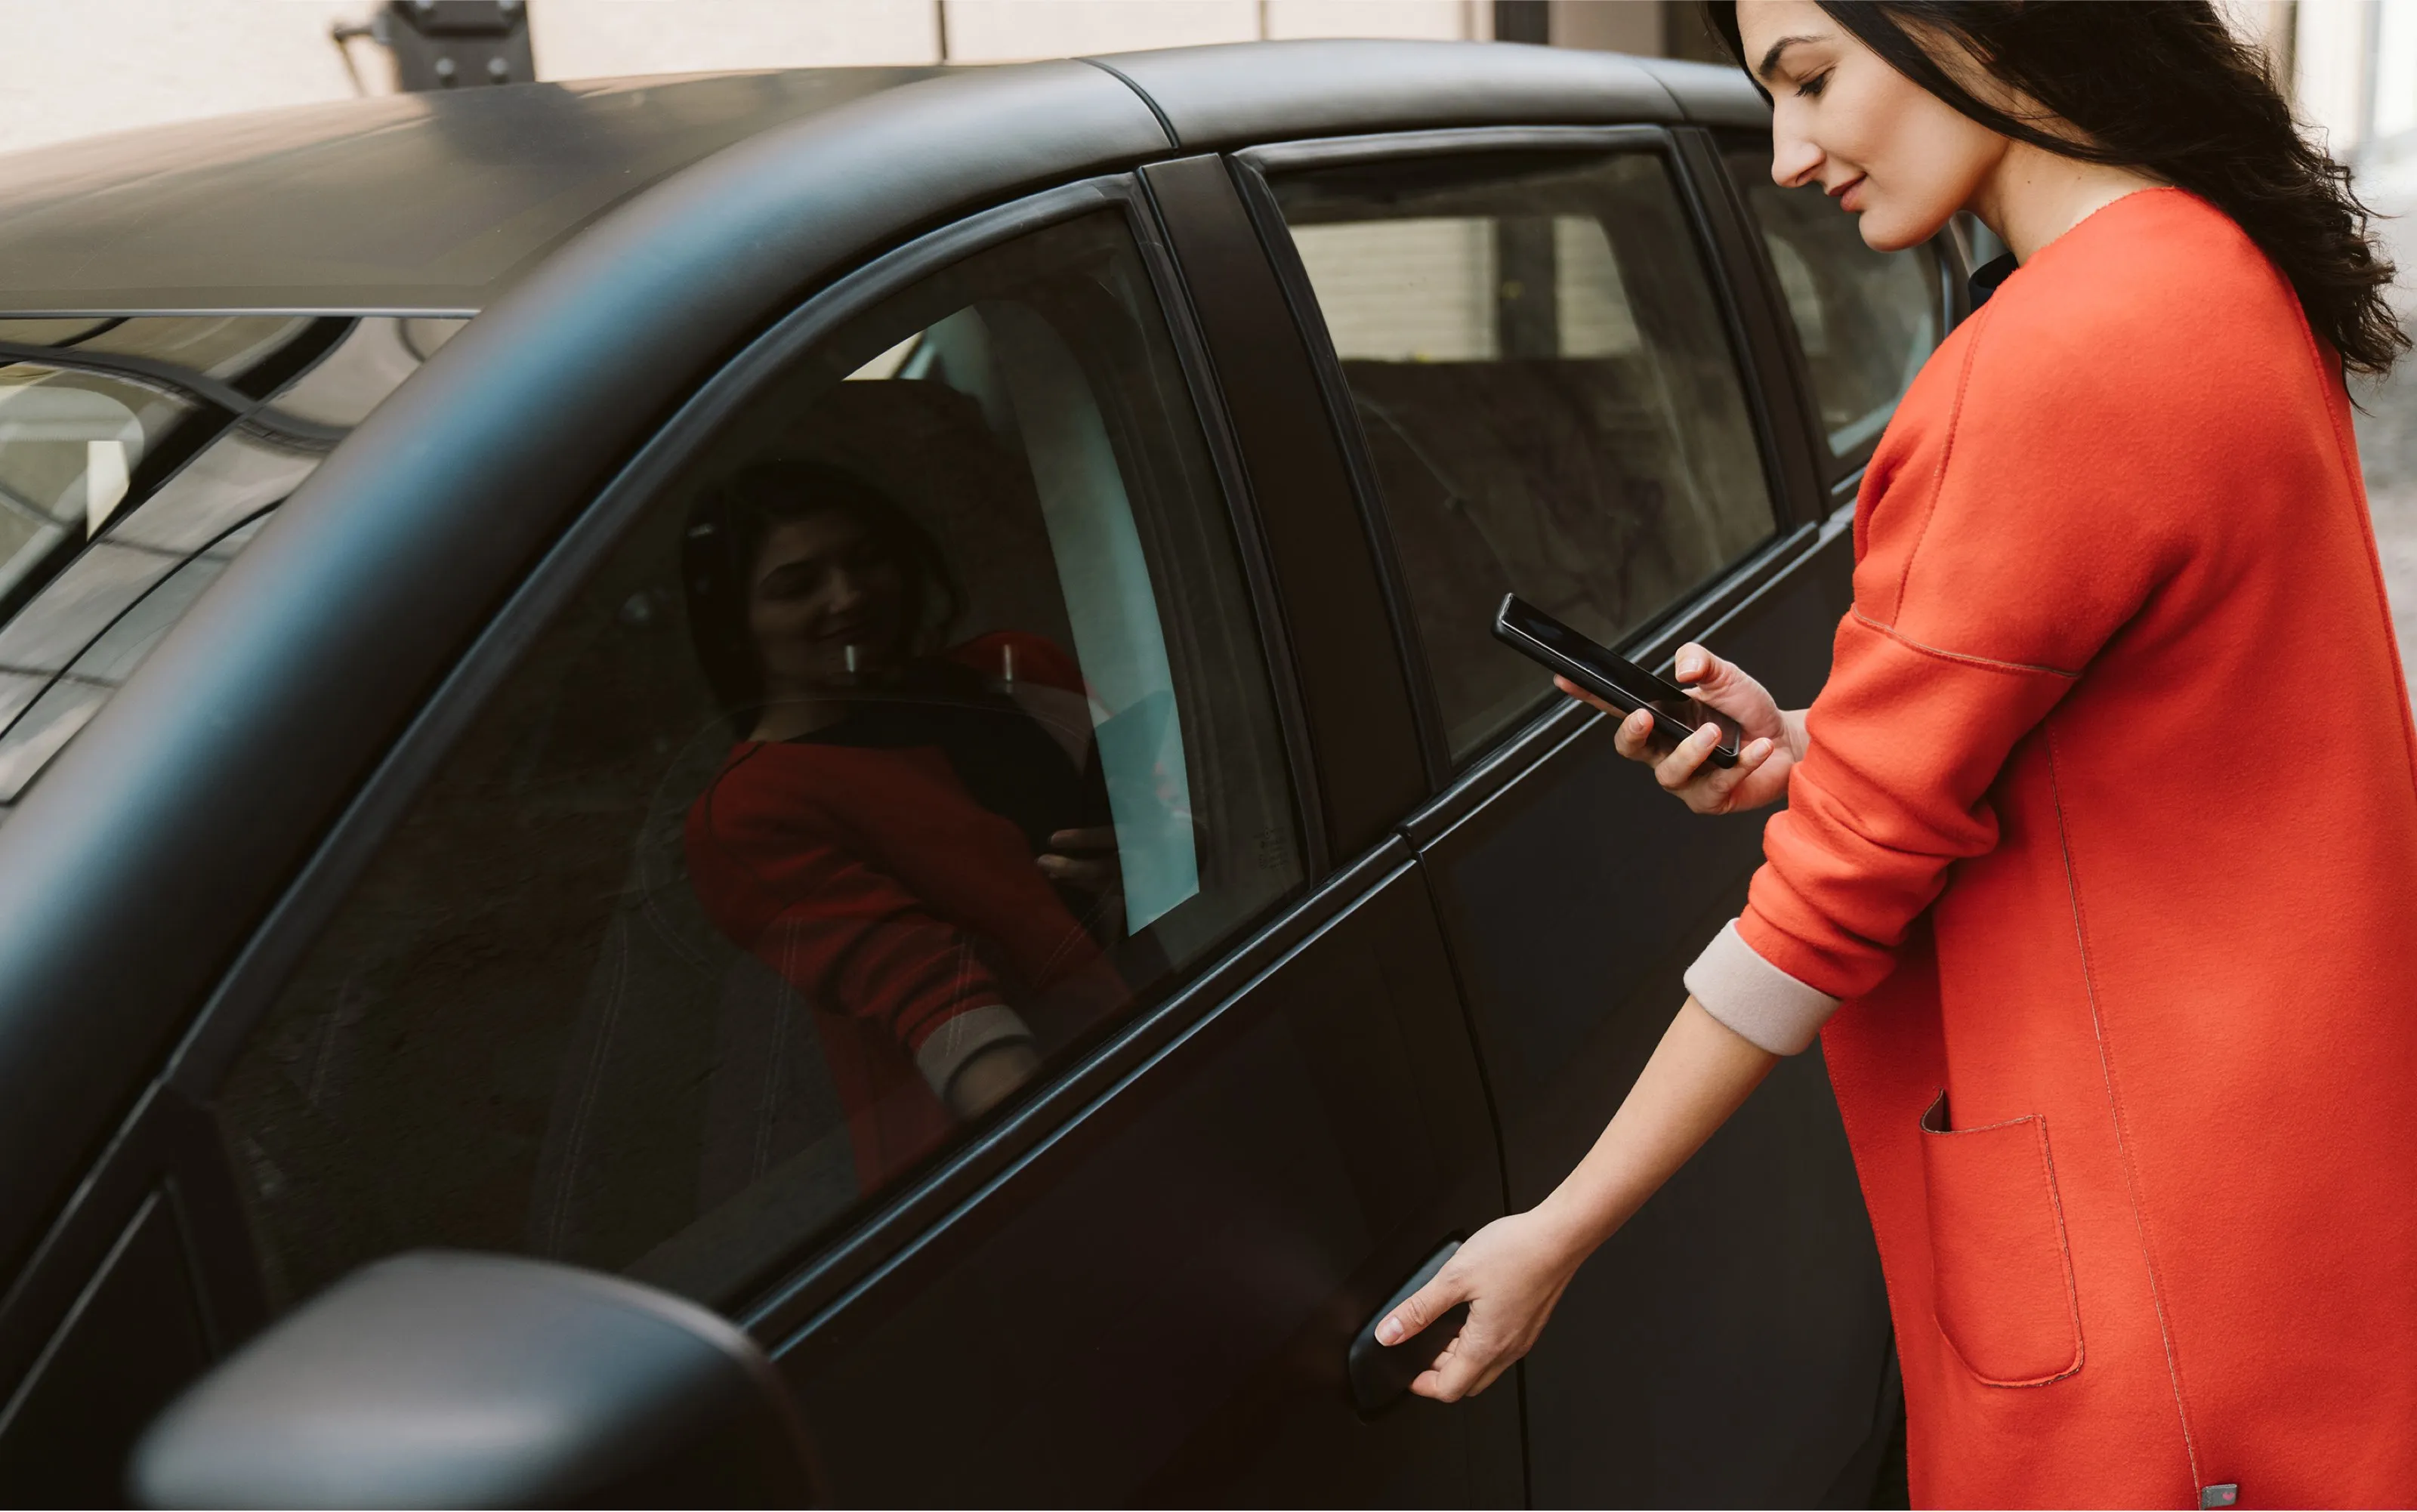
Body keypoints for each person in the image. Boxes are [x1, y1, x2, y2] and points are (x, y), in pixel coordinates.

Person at [1378, 4, 2417, 1505]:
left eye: (1810, 76)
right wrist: (1817, 747)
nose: (1790, 156)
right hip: (2268, 1213)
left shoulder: (2054, 357)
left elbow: (1820, 908)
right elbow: (2141, 729)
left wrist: (1557, 1225)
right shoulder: (2206, 267)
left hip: (2150, 1296)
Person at [682, 459, 1128, 1193]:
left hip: (1159, 1042)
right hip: (1012, 1162)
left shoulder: (1016, 670)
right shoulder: (748, 810)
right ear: (736, 624)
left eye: (866, 560)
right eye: (796, 586)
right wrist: (1074, 1171)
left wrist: (1156, 861)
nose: (849, 597)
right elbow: (937, 999)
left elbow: (1181, 822)